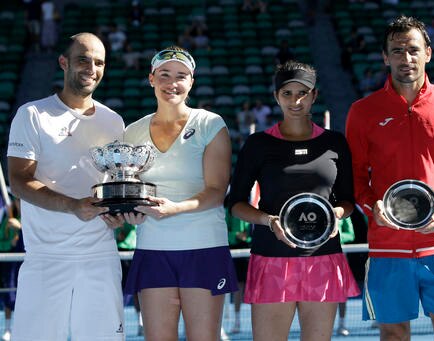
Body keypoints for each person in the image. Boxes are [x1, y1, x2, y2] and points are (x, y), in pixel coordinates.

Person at [345, 16, 434, 340]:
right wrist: (373, 209)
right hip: (388, 247)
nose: (405, 58)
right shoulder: (363, 111)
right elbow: (353, 177)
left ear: (428, 53)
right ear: (385, 57)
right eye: (396, 51)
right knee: (394, 336)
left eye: (412, 49)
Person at [228, 60, 360, 341]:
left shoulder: (335, 143)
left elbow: (349, 200)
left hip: (322, 259)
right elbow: (236, 203)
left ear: (314, 95)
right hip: (271, 259)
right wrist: (267, 220)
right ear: (276, 97)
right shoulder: (257, 144)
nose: (295, 100)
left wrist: (337, 213)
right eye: (287, 93)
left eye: (303, 92)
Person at [7, 32, 126, 341]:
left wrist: (119, 214)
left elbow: (114, 184)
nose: (91, 68)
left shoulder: (114, 122)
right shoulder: (31, 115)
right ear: (63, 62)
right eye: (83, 59)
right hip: (46, 258)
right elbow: (19, 182)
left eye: (99, 62)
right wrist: (73, 206)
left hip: (101, 256)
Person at [122, 46, 238, 341]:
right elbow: (130, 189)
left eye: (181, 76)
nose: (172, 82)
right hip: (153, 248)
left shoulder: (211, 124)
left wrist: (175, 208)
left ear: (191, 82)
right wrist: (127, 212)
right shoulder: (132, 133)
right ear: (151, 79)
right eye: (164, 75)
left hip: (203, 246)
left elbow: (215, 191)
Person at [225, 207, 251, 334]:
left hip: (254, 251)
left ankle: (259, 319)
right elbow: (225, 229)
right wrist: (236, 235)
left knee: (256, 286)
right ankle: (237, 321)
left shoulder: (255, 200)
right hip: (235, 251)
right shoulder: (229, 207)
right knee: (238, 287)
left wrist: (249, 236)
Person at [0, 196, 23, 341]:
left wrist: (20, 227)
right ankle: (8, 328)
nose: (19, 202)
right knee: (9, 295)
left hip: (25, 264)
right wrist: (10, 236)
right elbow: (3, 242)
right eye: (18, 200)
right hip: (8, 264)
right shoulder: (6, 216)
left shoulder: (29, 217)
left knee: (23, 296)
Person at [336, 217, 356, 337]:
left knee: (342, 293)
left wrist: (333, 237)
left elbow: (350, 235)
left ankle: (341, 324)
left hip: (340, 257)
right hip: (317, 258)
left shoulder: (344, 214)